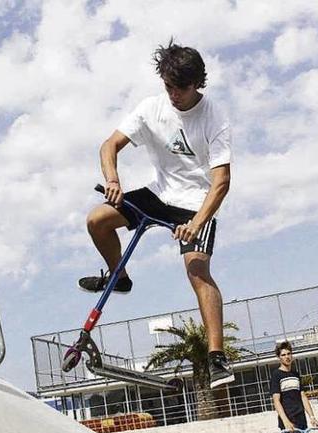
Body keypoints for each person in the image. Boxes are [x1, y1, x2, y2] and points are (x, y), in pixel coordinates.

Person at [80, 40, 234, 387]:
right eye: (168, 86)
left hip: (196, 202)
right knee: (97, 220)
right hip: (159, 193)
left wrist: (196, 224)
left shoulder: (215, 117)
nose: (173, 95)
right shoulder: (152, 108)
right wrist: (113, 179)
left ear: (197, 83)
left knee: (197, 270)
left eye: (180, 88)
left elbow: (221, 181)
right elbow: (109, 145)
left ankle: (217, 358)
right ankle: (119, 277)